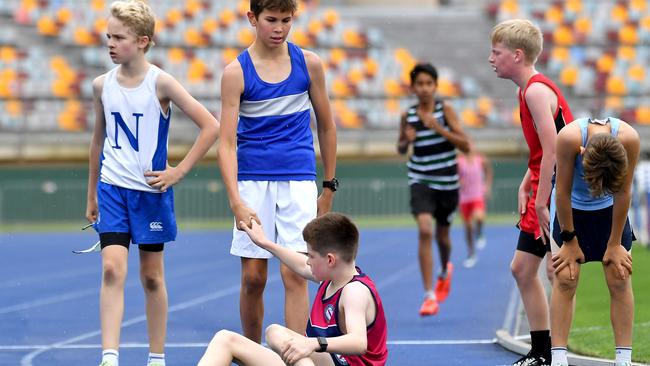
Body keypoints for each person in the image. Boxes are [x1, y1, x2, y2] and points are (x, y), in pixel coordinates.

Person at [85, 1, 220, 366]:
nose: (110, 43)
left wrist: (178, 171)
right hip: (112, 190)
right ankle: (109, 356)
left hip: (150, 194)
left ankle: (156, 356)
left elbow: (211, 126)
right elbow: (98, 142)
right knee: (112, 268)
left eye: (119, 37)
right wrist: (92, 194)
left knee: (151, 277)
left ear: (143, 41)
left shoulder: (161, 82)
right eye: (108, 36)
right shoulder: (101, 86)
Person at [218, 0, 338, 343]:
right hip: (252, 182)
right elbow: (225, 143)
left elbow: (327, 127)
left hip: (298, 179)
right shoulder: (236, 72)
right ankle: (253, 353)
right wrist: (235, 200)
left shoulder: (309, 64)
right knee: (253, 278)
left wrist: (328, 187)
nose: (279, 28)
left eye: (287, 20)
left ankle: (295, 355)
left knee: (296, 272)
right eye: (271, 19)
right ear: (252, 18)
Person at [489, 19, 574, 366]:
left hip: (557, 188)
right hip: (545, 182)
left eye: (496, 52)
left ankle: (556, 353)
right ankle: (541, 351)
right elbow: (544, 146)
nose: (491, 59)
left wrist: (542, 197)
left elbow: (555, 148)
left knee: (556, 271)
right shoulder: (526, 90)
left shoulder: (537, 91)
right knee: (524, 270)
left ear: (518, 55)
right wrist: (528, 178)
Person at [197, 213, 388, 366]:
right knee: (232, 338)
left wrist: (312, 343)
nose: (307, 261)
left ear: (330, 260)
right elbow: (302, 266)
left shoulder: (354, 292)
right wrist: (264, 242)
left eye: (311, 256)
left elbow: (359, 342)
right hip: (322, 361)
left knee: (284, 337)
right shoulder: (333, 276)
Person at [550, 117, 639, 366]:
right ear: (582, 154)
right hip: (572, 208)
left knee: (619, 275)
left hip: (610, 209)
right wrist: (569, 240)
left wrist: (614, 244)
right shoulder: (568, 139)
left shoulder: (629, 138)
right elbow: (562, 192)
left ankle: (623, 360)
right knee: (566, 277)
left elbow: (623, 192)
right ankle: (558, 358)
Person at [397, 62, 470, 316]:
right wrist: (406, 140)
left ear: (436, 86)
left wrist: (438, 128)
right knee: (425, 230)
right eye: (420, 84)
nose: (425, 88)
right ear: (413, 88)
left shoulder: (445, 110)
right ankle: (429, 295)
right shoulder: (408, 115)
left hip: (447, 183)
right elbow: (400, 148)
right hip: (420, 179)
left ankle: (444, 267)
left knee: (442, 237)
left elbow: (466, 145)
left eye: (429, 84)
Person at [457, 142, 493, 268]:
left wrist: (487, 186)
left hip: (477, 195)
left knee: (479, 217)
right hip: (464, 198)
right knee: (467, 228)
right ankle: (471, 253)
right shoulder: (459, 161)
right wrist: (459, 182)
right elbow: (454, 176)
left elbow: (489, 171)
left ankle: (480, 232)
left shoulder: (480, 160)